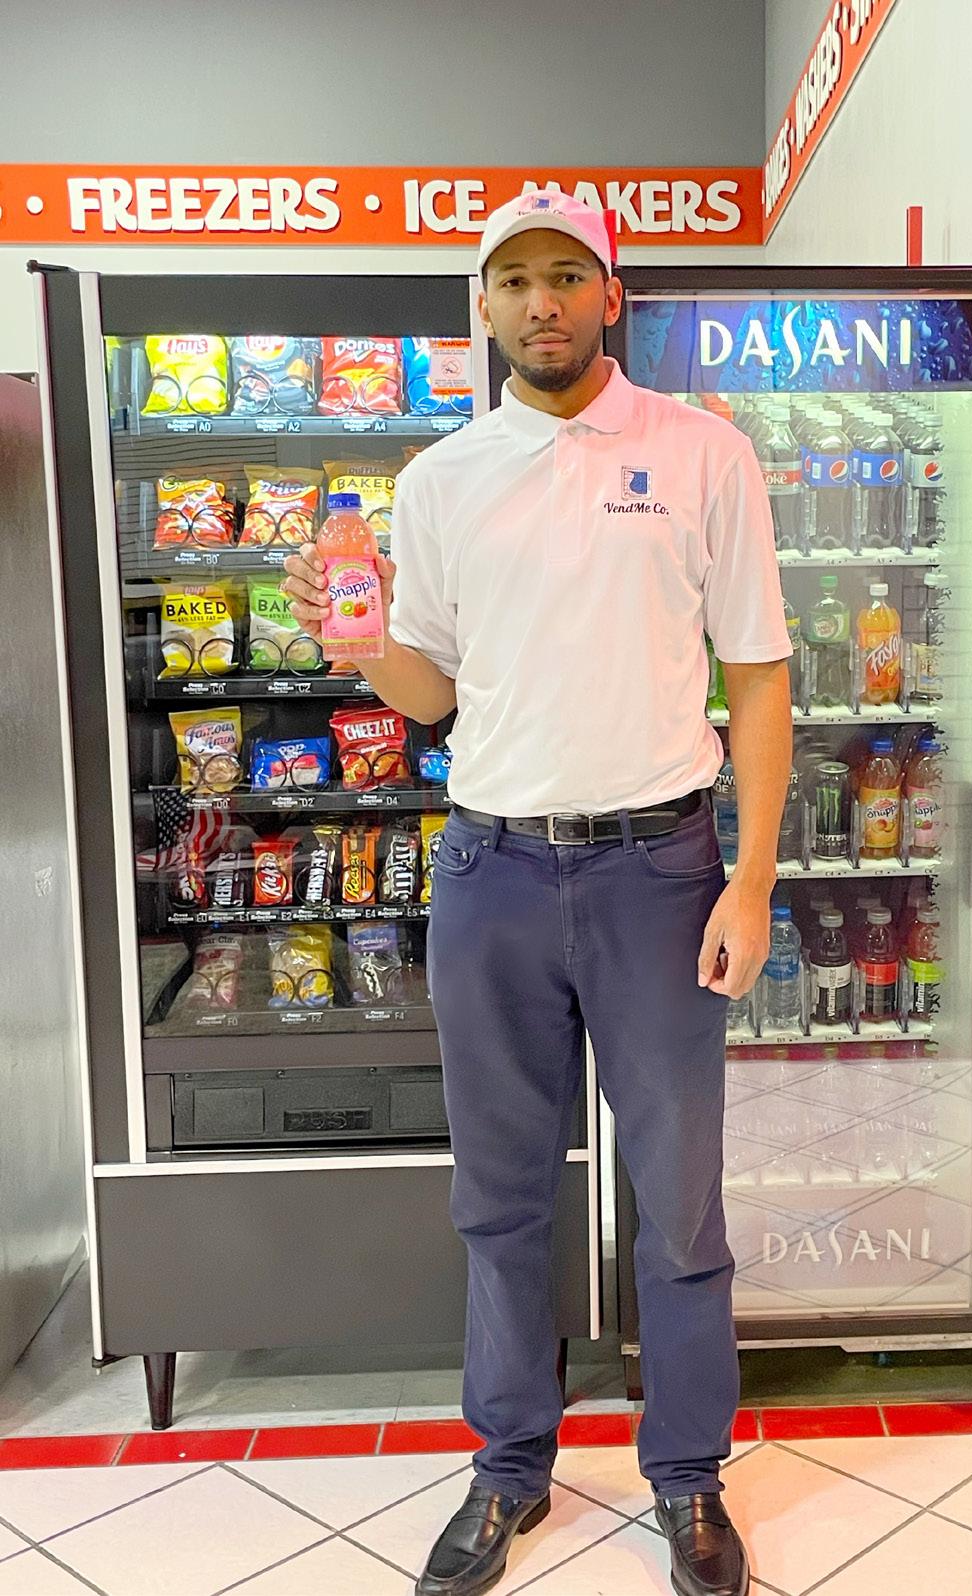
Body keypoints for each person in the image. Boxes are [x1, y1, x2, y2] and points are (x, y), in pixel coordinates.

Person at [283, 189, 792, 1596]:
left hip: (660, 870)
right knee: (499, 1198)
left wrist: (751, 880)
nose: (541, 301)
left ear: (609, 295)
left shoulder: (701, 453)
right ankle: (509, 1468)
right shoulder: (442, 478)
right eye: (513, 279)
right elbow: (430, 695)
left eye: (566, 274)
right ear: (485, 305)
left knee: (677, 1203)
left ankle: (686, 1478)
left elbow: (757, 675)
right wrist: (354, 643)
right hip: (491, 869)